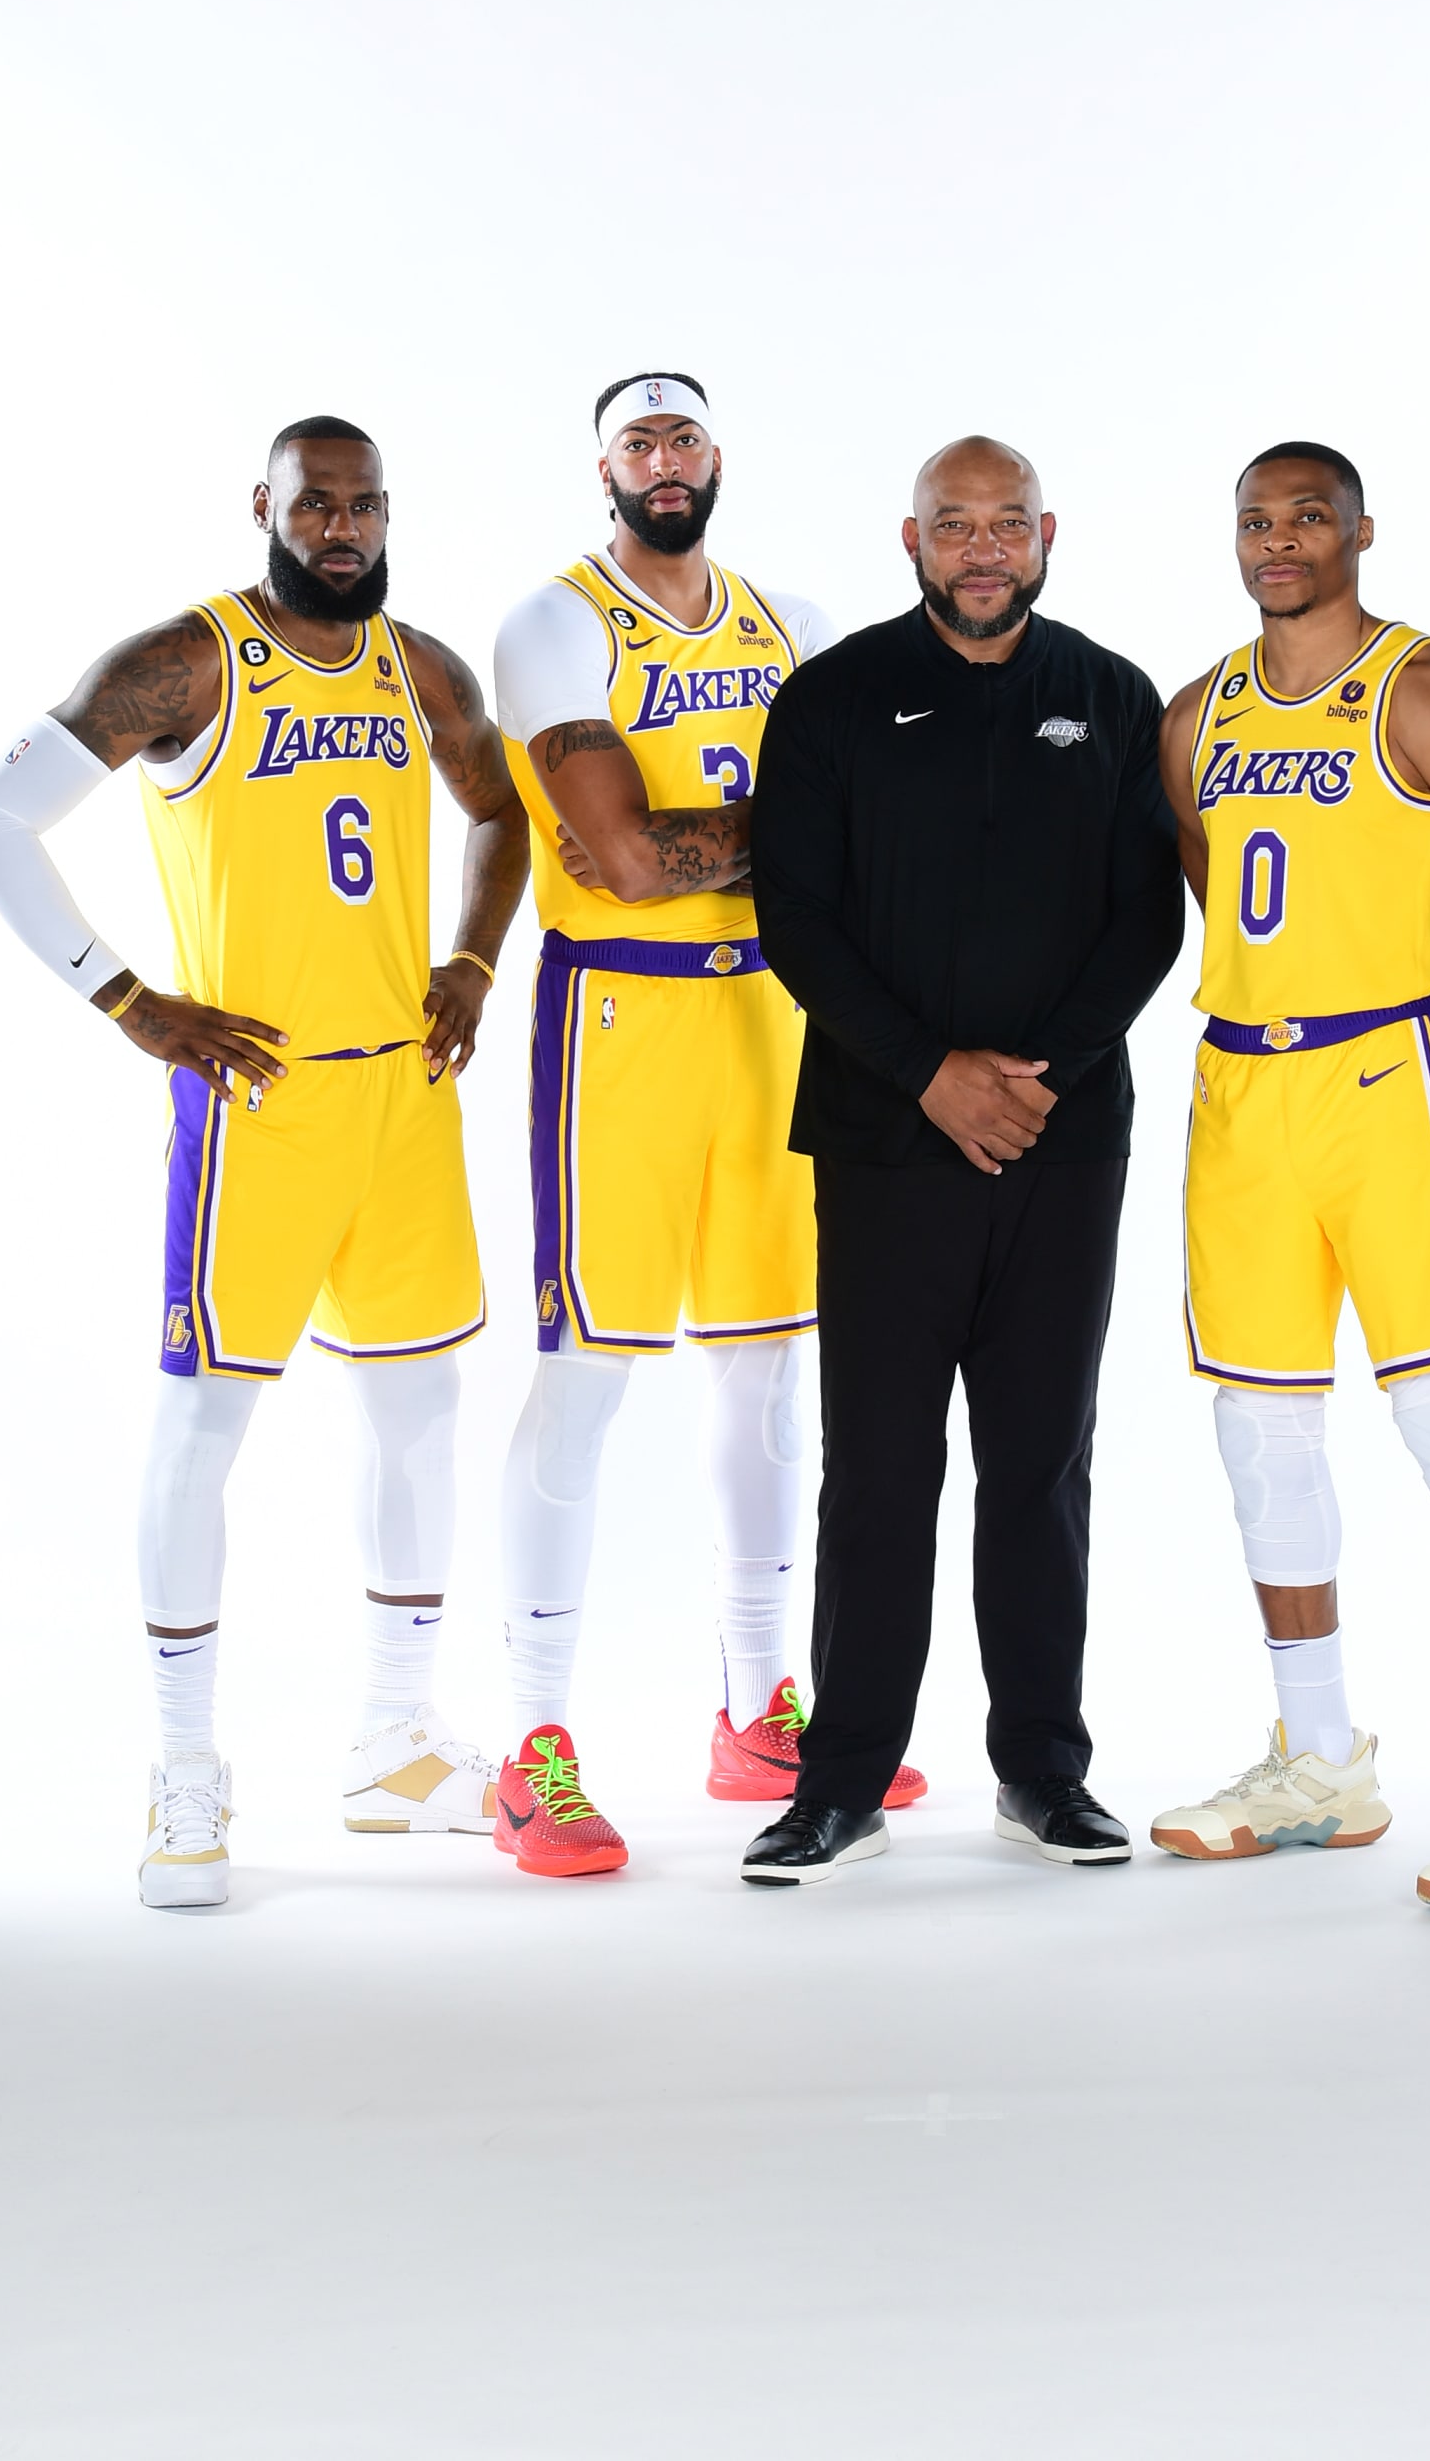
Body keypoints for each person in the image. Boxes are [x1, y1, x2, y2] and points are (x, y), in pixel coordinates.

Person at [0, 416, 529, 1906]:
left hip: (402, 1098)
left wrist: (469, 957)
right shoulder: (187, 663)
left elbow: (498, 814)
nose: (341, 528)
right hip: (254, 1103)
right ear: (261, 509)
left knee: (420, 1409)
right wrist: (126, 997)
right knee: (205, 1427)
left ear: (389, 515)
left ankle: (396, 1740)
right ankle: (187, 1773)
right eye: (312, 504)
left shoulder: (422, 666)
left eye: (363, 506)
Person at [1148, 441, 1430, 1914]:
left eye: (1307, 519)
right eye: (1254, 522)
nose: (1277, 542)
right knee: (1257, 1431)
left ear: (1360, 531)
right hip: (1241, 1086)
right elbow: (1223, 887)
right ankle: (1322, 1759)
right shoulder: (1194, 714)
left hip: (1389, 1080)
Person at [489, 371, 925, 1878]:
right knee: (589, 1374)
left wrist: (781, 849)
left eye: (683, 438)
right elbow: (618, 857)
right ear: (600, 468)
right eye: (637, 441)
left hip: (772, 1018)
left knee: (762, 1374)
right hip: (619, 1023)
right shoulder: (556, 623)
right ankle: (529, 1745)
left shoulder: (784, 617)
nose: (663, 462)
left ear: (717, 460)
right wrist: (798, 839)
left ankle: (755, 1715)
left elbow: (882, 813)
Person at [740, 435, 1184, 1886]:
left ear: (1047, 534)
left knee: (1042, 1464)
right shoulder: (834, 698)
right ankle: (841, 1784)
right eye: (954, 525)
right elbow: (798, 920)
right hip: (883, 1143)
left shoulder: (1110, 698)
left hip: (1065, 1143)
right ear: (911, 539)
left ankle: (1044, 1776)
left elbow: (1147, 921)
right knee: (876, 1470)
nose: (982, 548)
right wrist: (933, 1076)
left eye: (1006, 525)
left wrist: (1033, 1080)